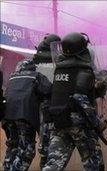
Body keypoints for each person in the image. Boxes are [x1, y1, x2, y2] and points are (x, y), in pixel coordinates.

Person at [42, 32, 106, 171]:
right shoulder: (84, 69)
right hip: (79, 123)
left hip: (59, 120)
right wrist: (97, 123)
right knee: (93, 161)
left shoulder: (59, 69)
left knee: (54, 163)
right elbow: (80, 98)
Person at [2, 59, 52, 170]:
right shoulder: (36, 76)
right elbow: (48, 90)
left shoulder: (12, 77)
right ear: (33, 68)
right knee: (26, 150)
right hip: (24, 116)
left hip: (7, 116)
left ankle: (7, 168)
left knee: (13, 145)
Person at [33, 33, 61, 169]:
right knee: (53, 131)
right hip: (54, 99)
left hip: (42, 101)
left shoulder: (38, 58)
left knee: (44, 130)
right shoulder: (57, 60)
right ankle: (50, 159)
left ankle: (44, 158)